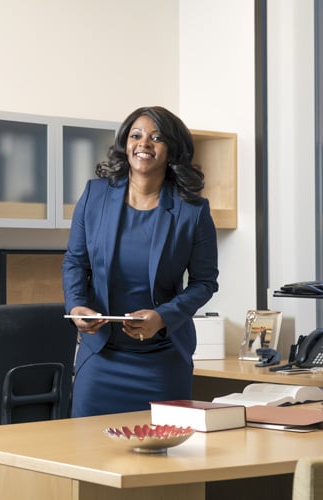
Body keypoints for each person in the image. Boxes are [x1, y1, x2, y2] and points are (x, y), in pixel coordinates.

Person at [62, 106, 219, 417]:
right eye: (136, 135)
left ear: (172, 149)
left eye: (156, 137)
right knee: (89, 451)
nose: (144, 143)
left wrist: (161, 317)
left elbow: (204, 282)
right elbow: (75, 262)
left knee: (164, 456)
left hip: (162, 360)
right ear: (126, 143)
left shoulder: (193, 211)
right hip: (101, 357)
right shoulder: (95, 196)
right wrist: (76, 305)